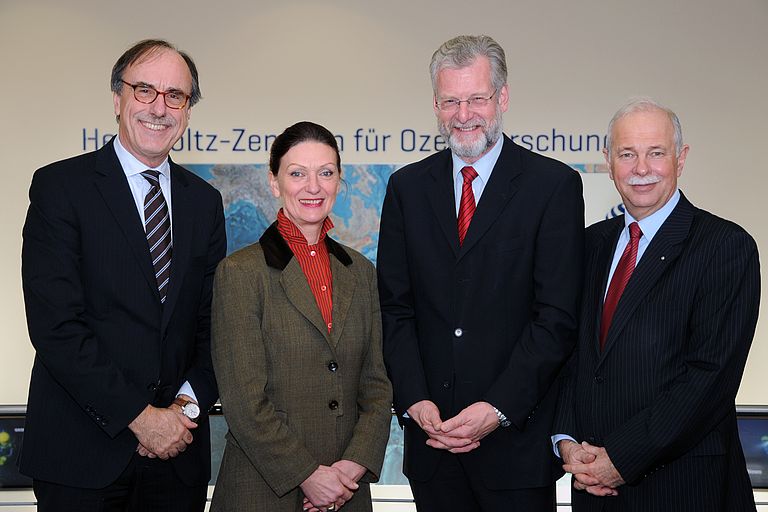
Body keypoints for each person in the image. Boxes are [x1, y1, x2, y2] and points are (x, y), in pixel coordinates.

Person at [376, 35, 585, 511]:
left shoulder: (553, 186)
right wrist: (414, 402)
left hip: (515, 452)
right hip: (432, 447)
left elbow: (556, 319)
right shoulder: (406, 188)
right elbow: (395, 308)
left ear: (502, 98)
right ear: (435, 103)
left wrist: (496, 409)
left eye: (477, 98)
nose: (463, 113)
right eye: (451, 100)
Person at [20, 39, 226, 511]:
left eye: (176, 95)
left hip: (177, 459)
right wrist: (140, 418)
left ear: (188, 111)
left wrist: (181, 413)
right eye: (145, 90)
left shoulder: (205, 203)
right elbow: (56, 328)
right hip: (81, 457)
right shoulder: (60, 188)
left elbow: (213, 328)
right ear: (117, 100)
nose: (160, 107)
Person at [554, 97, 760, 511]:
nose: (641, 169)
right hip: (595, 490)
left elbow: (708, 379)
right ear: (608, 161)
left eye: (656, 153)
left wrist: (621, 459)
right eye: (627, 154)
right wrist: (566, 441)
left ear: (680, 159)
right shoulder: (589, 245)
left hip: (685, 489)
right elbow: (571, 355)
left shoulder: (724, 246)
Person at [210, 121, 392, 512]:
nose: (314, 187)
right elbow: (243, 402)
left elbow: (377, 386)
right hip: (262, 492)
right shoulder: (240, 273)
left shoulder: (361, 273)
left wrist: (349, 469)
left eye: (326, 173)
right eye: (297, 174)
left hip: (346, 491)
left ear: (339, 181)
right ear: (274, 183)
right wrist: (310, 476)